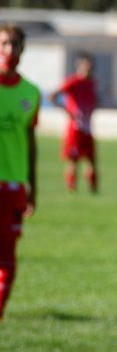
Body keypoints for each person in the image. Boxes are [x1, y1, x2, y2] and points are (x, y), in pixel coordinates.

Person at [0, 24, 40, 320]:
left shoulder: (30, 93)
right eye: (3, 44)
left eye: (15, 45)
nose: (9, 51)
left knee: (7, 263)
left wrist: (33, 187)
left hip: (14, 188)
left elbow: (29, 141)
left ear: (23, 50)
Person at [50, 53, 98, 193]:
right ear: (80, 66)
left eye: (90, 65)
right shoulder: (73, 82)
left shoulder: (92, 83)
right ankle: (72, 190)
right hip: (75, 128)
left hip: (87, 128)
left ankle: (93, 190)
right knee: (73, 160)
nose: (89, 68)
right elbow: (53, 95)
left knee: (91, 160)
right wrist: (66, 110)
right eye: (86, 64)